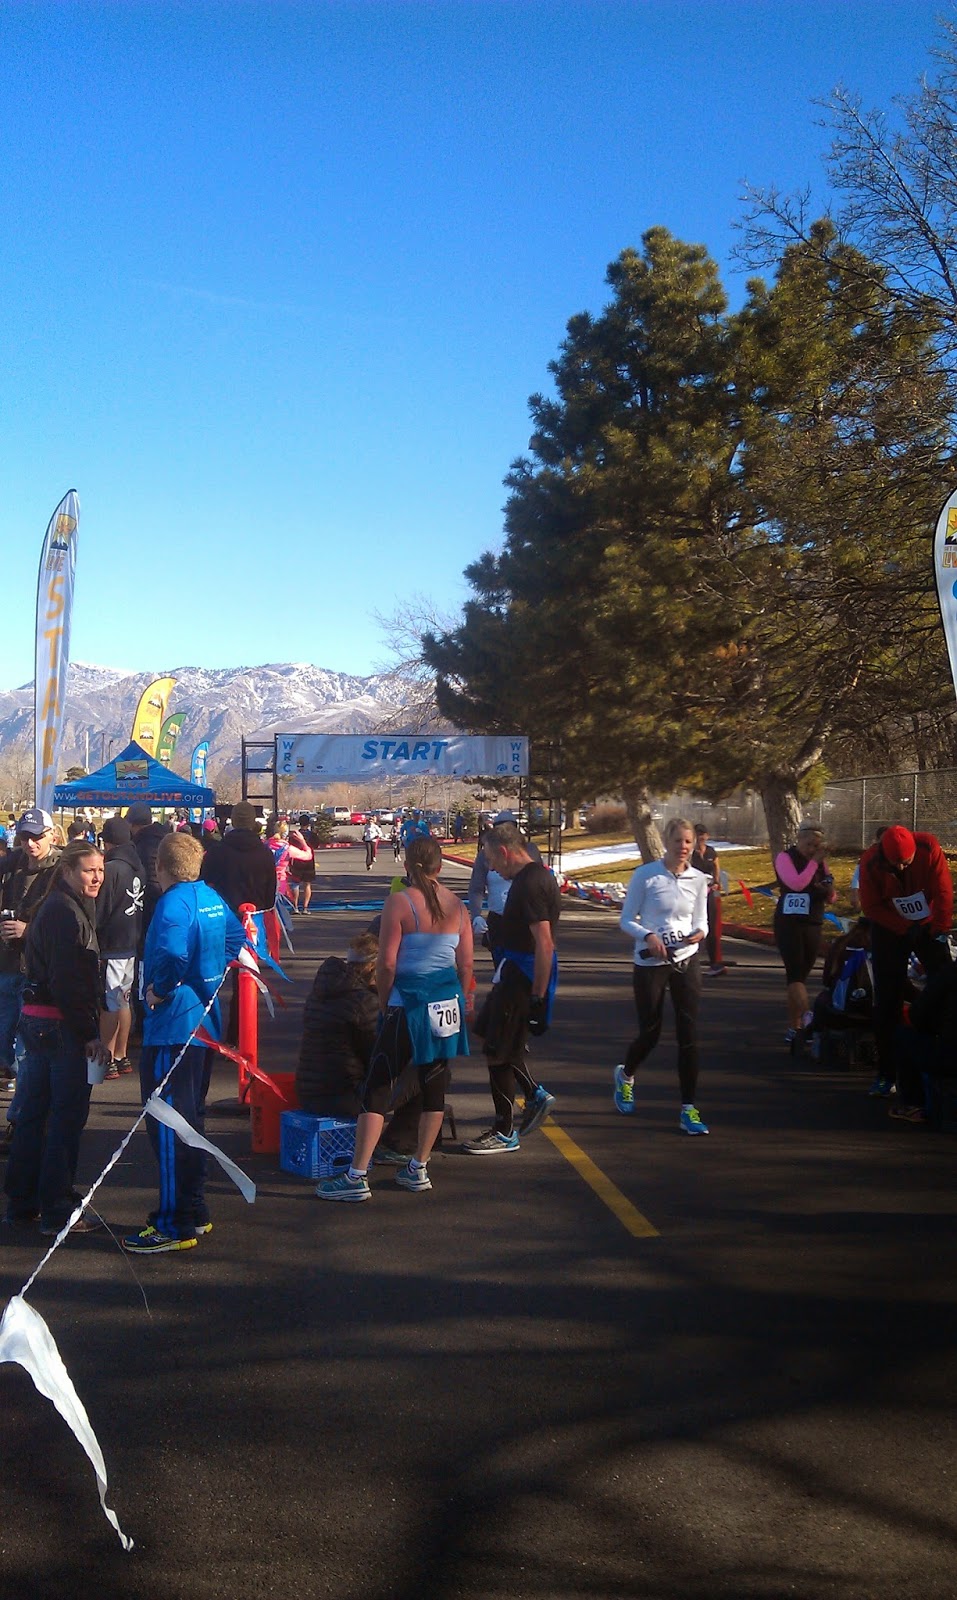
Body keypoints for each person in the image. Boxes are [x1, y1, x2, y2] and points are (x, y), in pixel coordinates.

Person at [318, 834, 473, 1199]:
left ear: (407, 865)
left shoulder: (400, 903)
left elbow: (386, 963)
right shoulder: (459, 907)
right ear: (440, 865)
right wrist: (462, 997)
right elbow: (465, 964)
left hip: (409, 1003)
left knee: (377, 1086)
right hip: (445, 1004)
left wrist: (387, 1001)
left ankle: (356, 1176)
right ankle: (418, 1166)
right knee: (434, 1086)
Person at [122, 831, 245, 1253]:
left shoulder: (174, 903)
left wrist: (162, 986)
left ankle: (175, 1224)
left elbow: (174, 954)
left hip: (174, 1026)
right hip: (203, 1023)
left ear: (159, 866)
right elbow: (236, 939)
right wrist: (209, 975)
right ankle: (193, 1208)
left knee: (169, 1126)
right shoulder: (209, 895)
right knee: (190, 1120)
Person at [3, 841, 112, 1236]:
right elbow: (69, 983)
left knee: (33, 1115)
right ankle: (56, 1208)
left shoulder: (60, 908)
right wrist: (89, 1035)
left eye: (100, 869)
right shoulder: (65, 913)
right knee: (64, 1119)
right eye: (88, 870)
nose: (97, 877)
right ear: (67, 871)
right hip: (58, 1025)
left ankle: (22, 1203)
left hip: (37, 1021)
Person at [464, 819, 559, 1153]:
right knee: (489, 1034)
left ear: (505, 852)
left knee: (496, 1050)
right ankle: (534, 1092)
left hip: (523, 976)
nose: (491, 867)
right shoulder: (525, 878)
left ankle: (505, 1130)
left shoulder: (531, 882)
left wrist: (537, 997)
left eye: (492, 860)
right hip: (512, 968)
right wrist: (494, 934)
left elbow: (544, 943)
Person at [614, 816, 710, 1135]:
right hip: (651, 962)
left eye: (688, 842)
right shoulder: (646, 875)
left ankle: (688, 1108)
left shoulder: (699, 879)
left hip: (686, 959)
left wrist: (699, 933)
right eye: (678, 841)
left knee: (689, 1035)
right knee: (651, 1033)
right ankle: (626, 1075)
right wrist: (649, 937)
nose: (683, 847)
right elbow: (626, 919)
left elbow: (702, 920)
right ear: (666, 842)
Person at [857, 823, 953, 1099]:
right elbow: (871, 906)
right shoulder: (870, 860)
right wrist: (902, 927)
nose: (900, 868)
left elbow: (944, 891)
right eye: (894, 863)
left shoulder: (929, 847)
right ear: (883, 854)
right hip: (888, 926)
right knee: (887, 998)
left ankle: (943, 1058)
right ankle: (886, 1073)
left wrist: (939, 927)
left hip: (927, 923)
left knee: (946, 985)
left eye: (905, 863)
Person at [0, 809, 60, 1102]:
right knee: (5, 1037)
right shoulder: (11, 865)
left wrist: (29, 929)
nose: (31, 843)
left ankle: (22, 1115)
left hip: (36, 969)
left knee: (26, 1046)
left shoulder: (62, 870)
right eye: (25, 837)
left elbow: (68, 922)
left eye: (37, 836)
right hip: (7, 965)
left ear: (51, 835)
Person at [296, 932, 380, 1119]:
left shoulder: (318, 995)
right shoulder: (364, 1002)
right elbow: (378, 1055)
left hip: (308, 1093)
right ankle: (398, 1141)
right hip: (345, 1097)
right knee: (422, 1073)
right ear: (373, 966)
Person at [772, 824, 836, 1048]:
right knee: (795, 974)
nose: (812, 850)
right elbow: (797, 884)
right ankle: (808, 1017)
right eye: (808, 845)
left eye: (816, 846)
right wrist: (813, 864)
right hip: (789, 924)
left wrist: (826, 884)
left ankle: (794, 1026)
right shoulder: (785, 858)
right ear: (798, 841)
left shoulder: (819, 862)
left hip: (812, 922)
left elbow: (831, 896)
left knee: (799, 978)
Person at [95, 817, 144, 1079]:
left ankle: (106, 1057)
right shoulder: (139, 866)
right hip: (131, 943)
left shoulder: (111, 868)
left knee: (109, 1003)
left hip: (112, 944)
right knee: (123, 999)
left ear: (108, 841)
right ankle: (120, 1055)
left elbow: (100, 910)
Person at [467, 809, 542, 965]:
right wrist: (476, 915)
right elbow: (476, 887)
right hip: (499, 920)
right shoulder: (485, 855)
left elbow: (538, 883)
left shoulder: (530, 851)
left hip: (525, 921)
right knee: (502, 969)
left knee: (524, 968)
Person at [200, 801, 277, 915]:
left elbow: (205, 888)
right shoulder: (265, 853)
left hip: (223, 917)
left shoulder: (216, 852)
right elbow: (270, 895)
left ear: (234, 821)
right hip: (256, 917)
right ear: (252, 822)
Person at [126, 802, 170, 940]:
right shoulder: (165, 837)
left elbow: (145, 875)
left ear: (133, 824)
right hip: (168, 895)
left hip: (149, 900)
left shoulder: (142, 844)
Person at [691, 824, 725, 975]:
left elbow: (716, 867)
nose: (701, 838)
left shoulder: (711, 851)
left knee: (712, 927)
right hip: (693, 895)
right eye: (698, 835)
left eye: (703, 835)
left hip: (710, 893)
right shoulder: (690, 853)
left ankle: (715, 963)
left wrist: (717, 883)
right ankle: (687, 962)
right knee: (692, 927)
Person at [288, 814, 318, 913]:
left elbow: (289, 847)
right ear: (308, 823)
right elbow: (316, 845)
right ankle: (305, 907)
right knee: (307, 884)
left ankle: (295, 907)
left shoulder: (295, 835)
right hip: (309, 861)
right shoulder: (312, 835)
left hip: (296, 861)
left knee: (295, 884)